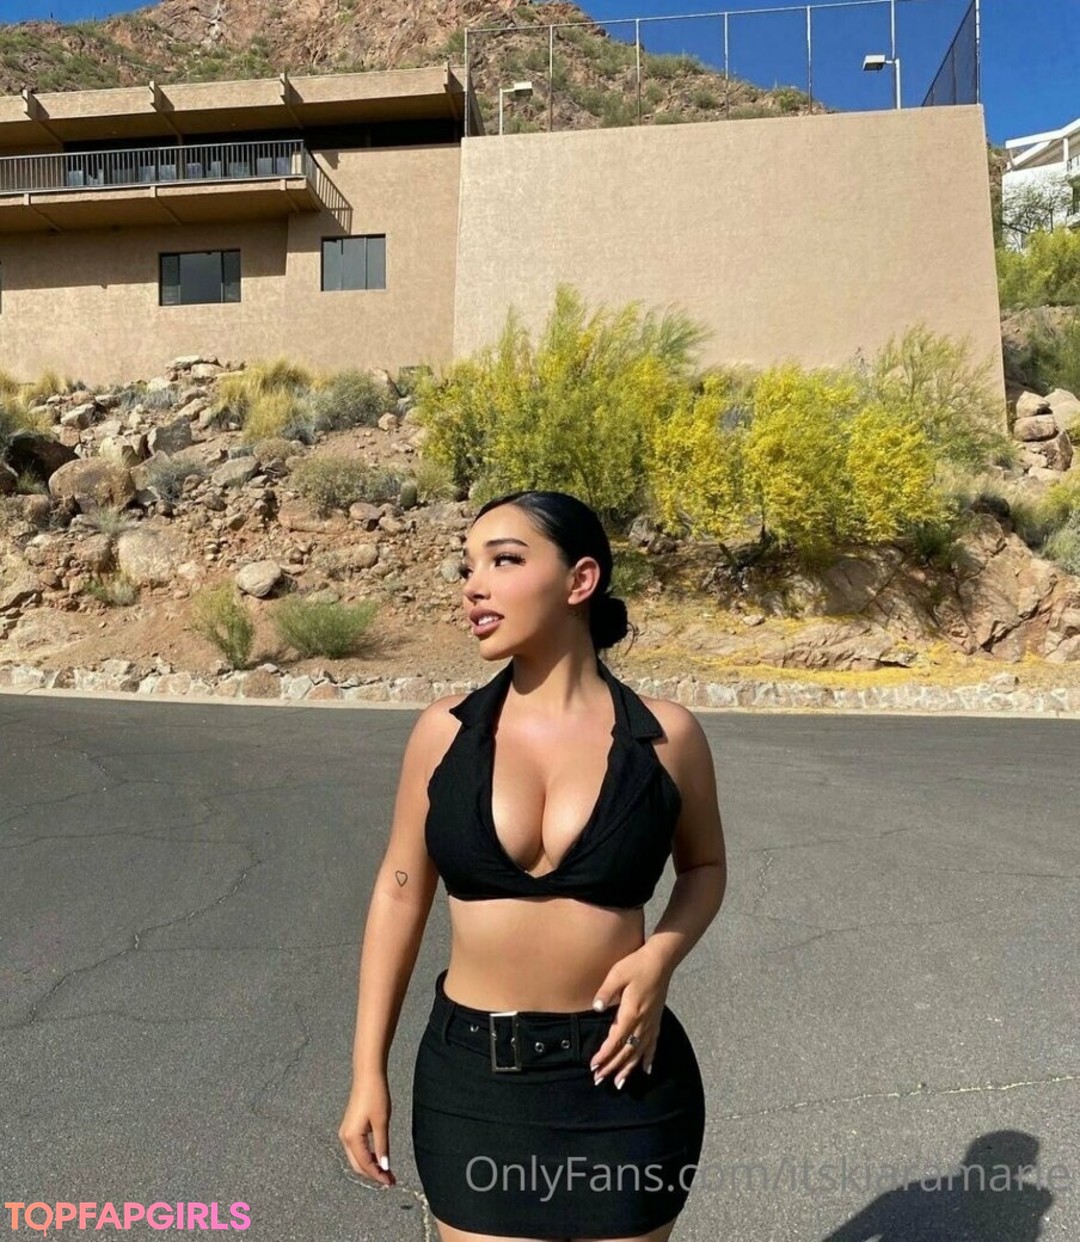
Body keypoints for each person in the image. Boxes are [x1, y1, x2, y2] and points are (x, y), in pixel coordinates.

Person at [338, 489, 727, 1242]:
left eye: (504, 560)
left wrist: (661, 957)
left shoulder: (667, 737)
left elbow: (705, 867)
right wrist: (366, 1071)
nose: (473, 586)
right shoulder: (443, 732)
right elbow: (399, 894)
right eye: (467, 568)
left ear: (580, 580)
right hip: (475, 1083)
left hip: (624, 1072)